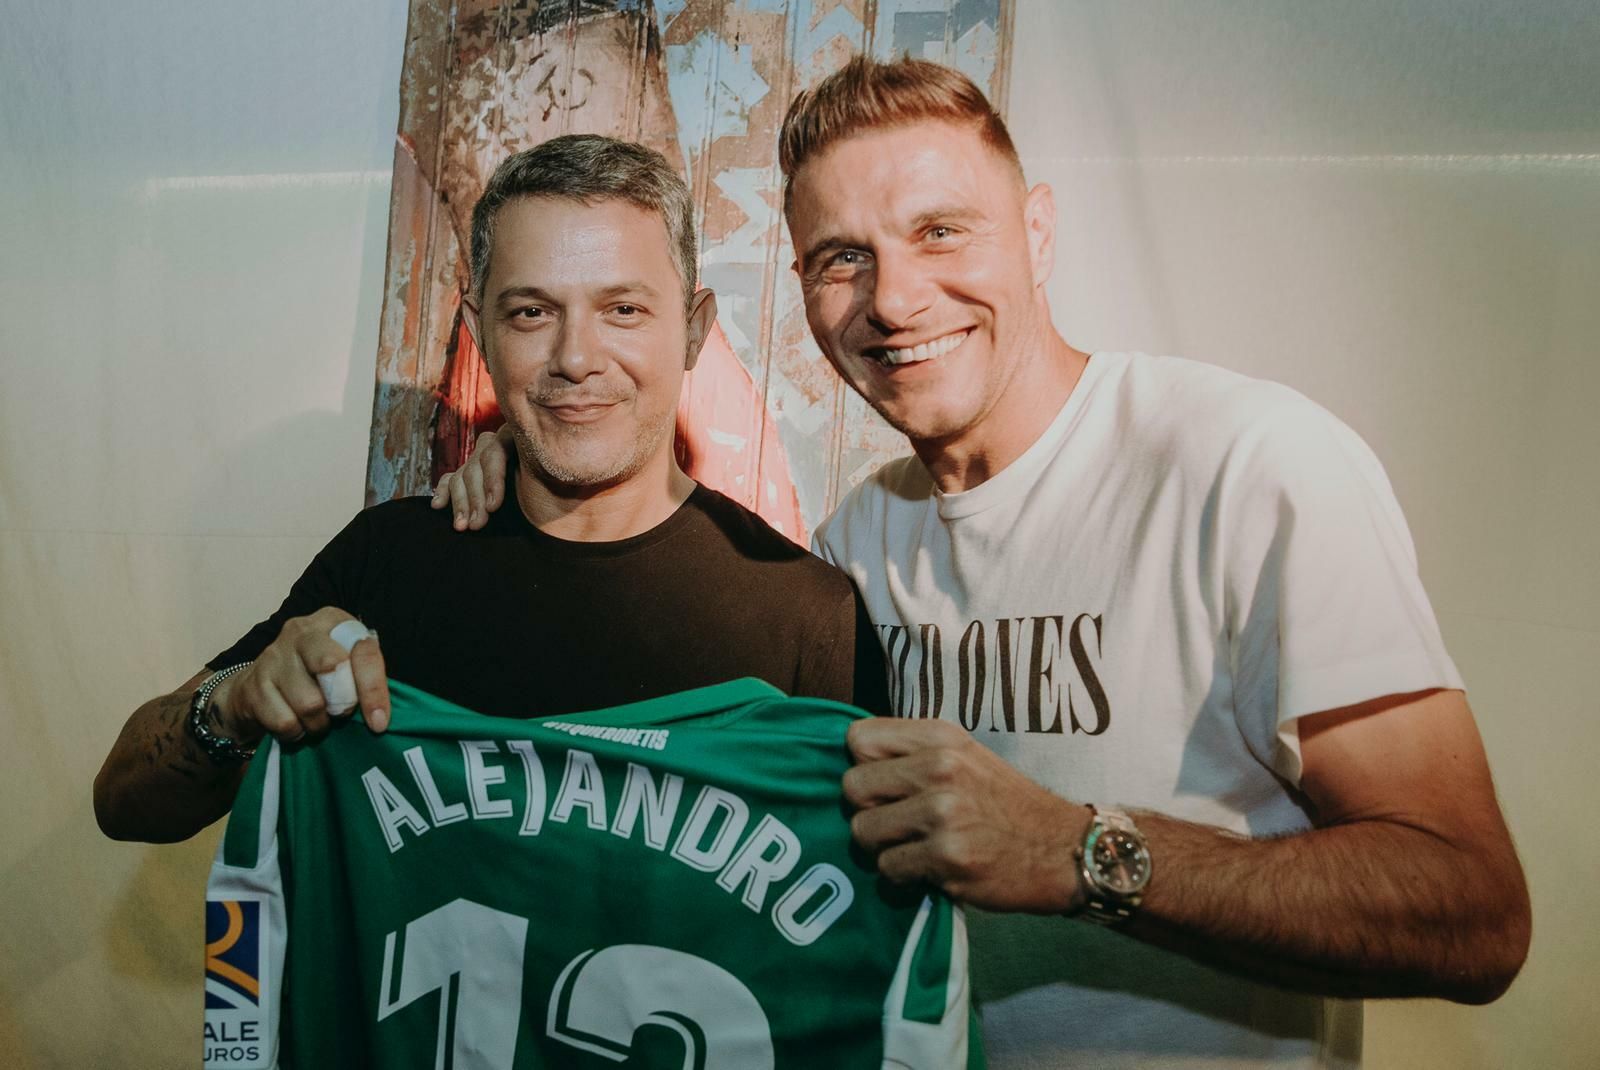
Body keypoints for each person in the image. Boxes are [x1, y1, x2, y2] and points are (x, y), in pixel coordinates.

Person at [441, 56, 1531, 1069]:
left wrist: (1076, 850)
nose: (894, 298)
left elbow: (1474, 911)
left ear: (1038, 232)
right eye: (843, 258)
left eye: (941, 232)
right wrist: (526, 465)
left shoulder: (1247, 465)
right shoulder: (858, 542)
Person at [94, 134, 885, 846]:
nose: (576, 357)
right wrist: (233, 704)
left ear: (692, 329)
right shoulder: (389, 558)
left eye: (623, 309)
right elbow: (126, 803)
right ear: (478, 329)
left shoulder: (810, 617)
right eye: (533, 312)